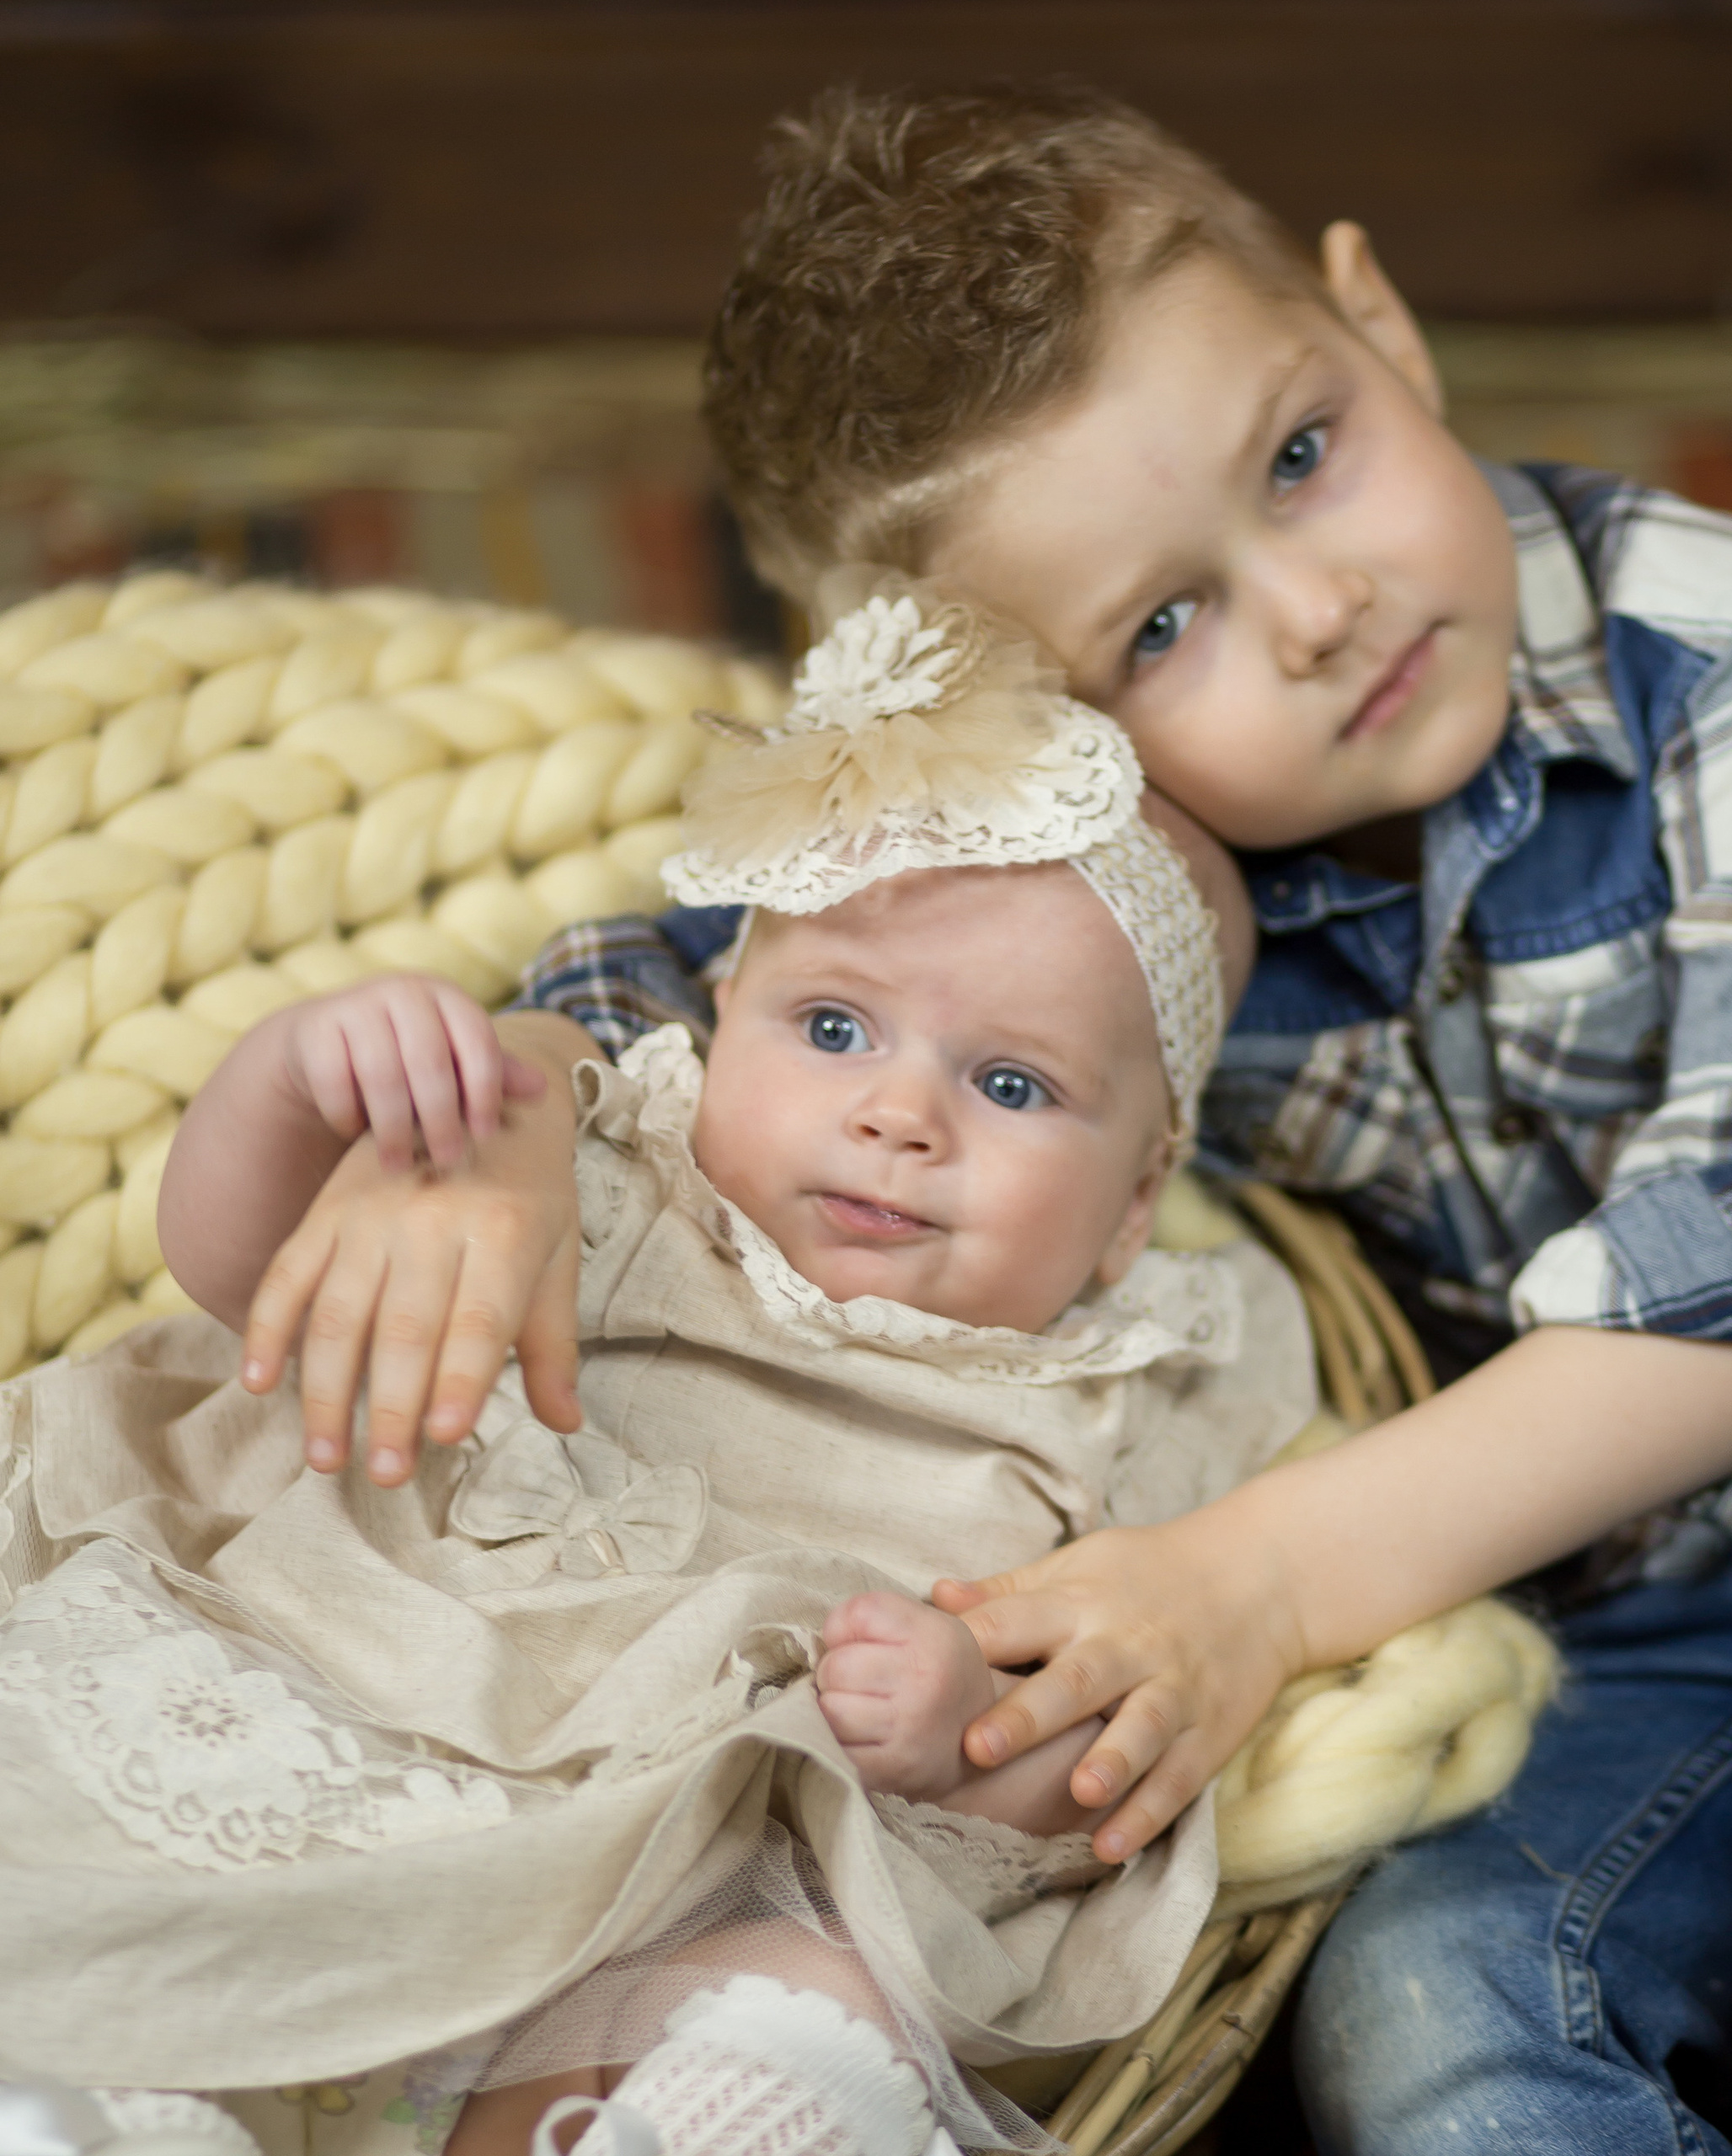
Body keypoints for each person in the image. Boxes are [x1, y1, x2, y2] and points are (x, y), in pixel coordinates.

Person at [480, 83, 1732, 2156]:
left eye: (1301, 454)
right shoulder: (1097, 870)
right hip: (1585, 1593)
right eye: (1159, 626)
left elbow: (1730, 1318)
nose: (1312, 609)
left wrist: (1246, 1589)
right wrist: (513, 1121)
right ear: (1019, 727)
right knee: (1415, 2018)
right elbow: (700, 982)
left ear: (1380, 325)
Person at [0, 585, 1318, 2155]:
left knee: (826, 1984)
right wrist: (305, 1079)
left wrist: (963, 1728)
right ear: (722, 1014)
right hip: (325, 1706)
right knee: (121, 1951)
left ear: (1134, 1205)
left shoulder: (1115, 1403)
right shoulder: (604, 1169)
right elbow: (253, 1284)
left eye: (1013, 1081)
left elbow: (1098, 1763)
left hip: (648, 1907)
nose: (900, 1115)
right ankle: (108, 2108)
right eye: (833, 1026)